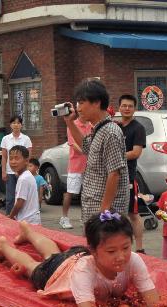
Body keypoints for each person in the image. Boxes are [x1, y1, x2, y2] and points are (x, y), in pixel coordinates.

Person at [0, 213, 166, 307]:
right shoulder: (84, 271)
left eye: (126, 247)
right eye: (112, 252)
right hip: (57, 273)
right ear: (94, 251)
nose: (121, 256)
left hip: (75, 256)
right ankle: (4, 246)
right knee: (32, 267)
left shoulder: (133, 260)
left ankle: (28, 232)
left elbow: (153, 301)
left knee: (53, 254)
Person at [64, 79, 129, 226]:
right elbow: (85, 147)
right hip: (95, 210)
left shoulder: (110, 132)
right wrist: (69, 122)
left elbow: (114, 173)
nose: (78, 108)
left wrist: (104, 211)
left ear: (96, 103)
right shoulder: (99, 129)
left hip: (105, 216)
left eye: (81, 103)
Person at [118, 94, 147, 253]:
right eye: (124, 105)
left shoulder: (138, 128)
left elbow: (136, 153)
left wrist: (115, 156)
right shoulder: (115, 126)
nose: (127, 108)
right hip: (112, 176)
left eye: (130, 106)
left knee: (133, 214)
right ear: (119, 107)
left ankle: (140, 248)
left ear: (134, 109)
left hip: (128, 177)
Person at [60, 110, 93, 230]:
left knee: (88, 193)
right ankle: (64, 218)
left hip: (89, 165)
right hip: (75, 165)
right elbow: (73, 144)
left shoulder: (91, 125)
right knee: (71, 192)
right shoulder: (72, 124)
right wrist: (88, 152)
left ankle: (85, 218)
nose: (84, 112)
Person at [0, 115, 32, 215]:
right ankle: (9, 218)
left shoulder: (26, 139)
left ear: (21, 125)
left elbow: (28, 157)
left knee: (22, 197)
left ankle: (22, 217)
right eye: (14, 123)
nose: (16, 125)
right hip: (10, 172)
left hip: (22, 172)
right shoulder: (5, 139)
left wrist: (23, 170)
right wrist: (3, 171)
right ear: (10, 125)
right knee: (10, 198)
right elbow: (4, 157)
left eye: (18, 123)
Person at [7, 147, 40, 224]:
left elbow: (20, 202)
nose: (13, 162)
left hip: (28, 221)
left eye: (17, 158)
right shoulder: (27, 175)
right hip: (31, 219)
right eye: (11, 159)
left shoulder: (23, 179)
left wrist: (11, 216)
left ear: (26, 161)